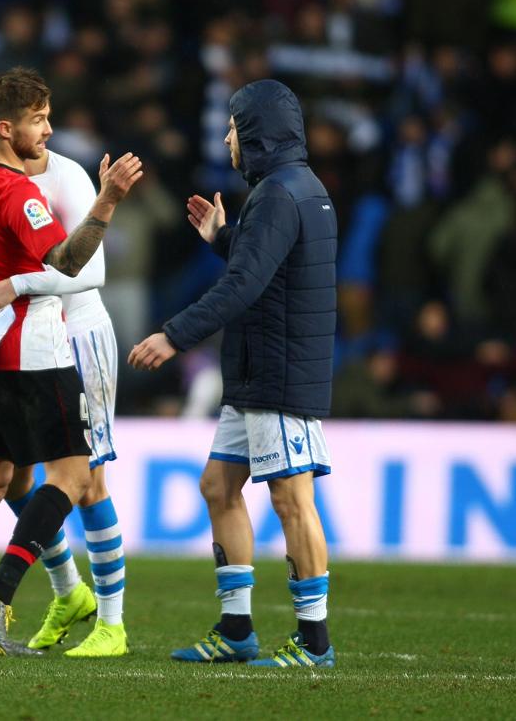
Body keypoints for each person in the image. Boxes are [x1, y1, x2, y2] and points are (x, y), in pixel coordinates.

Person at [0, 67, 142, 657]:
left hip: (63, 330)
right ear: (6, 127)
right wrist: (108, 201)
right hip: (32, 342)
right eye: (39, 118)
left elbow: (91, 276)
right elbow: (69, 260)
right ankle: (36, 595)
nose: (50, 128)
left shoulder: (30, 176)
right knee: (51, 478)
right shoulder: (23, 190)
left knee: (48, 480)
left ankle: (103, 620)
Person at [129, 79, 338, 669]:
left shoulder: (278, 195)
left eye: (234, 130)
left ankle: (314, 642)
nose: (227, 140)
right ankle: (237, 629)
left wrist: (173, 335)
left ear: (258, 134)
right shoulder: (297, 190)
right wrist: (226, 238)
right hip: (258, 370)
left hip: (278, 371)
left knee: (292, 500)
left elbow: (245, 287)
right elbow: (270, 268)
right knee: (218, 487)